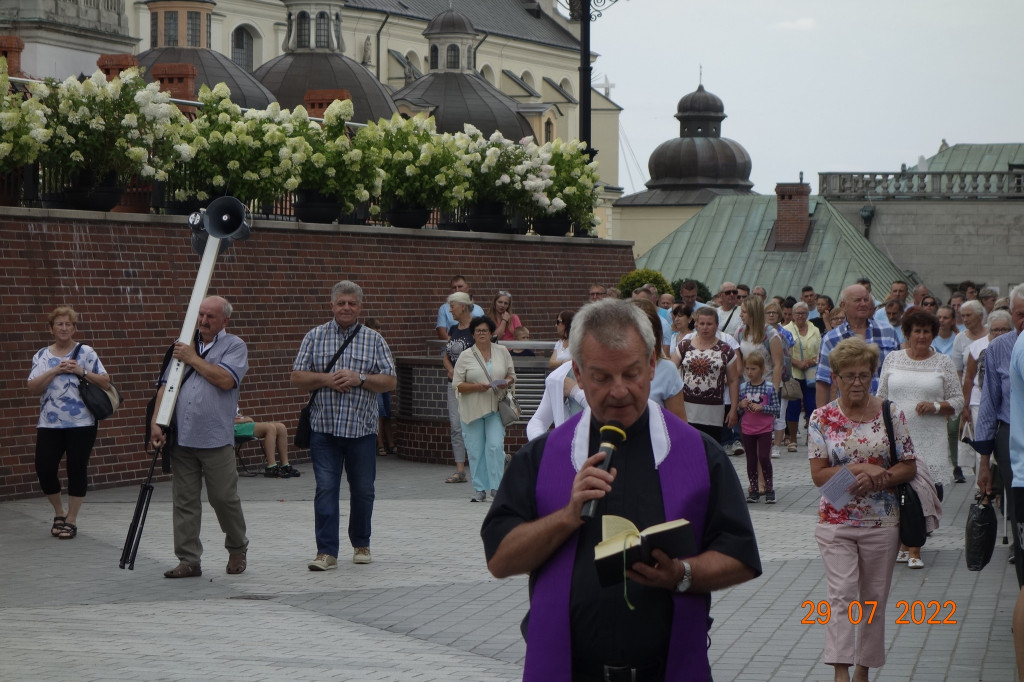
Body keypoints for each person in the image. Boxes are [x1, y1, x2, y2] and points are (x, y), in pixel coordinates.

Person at [481, 298, 761, 681]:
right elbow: (499, 559)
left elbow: (741, 555)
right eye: (601, 377)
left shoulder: (699, 454)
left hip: (666, 670)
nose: (619, 391)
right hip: (569, 670)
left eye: (631, 374)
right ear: (577, 374)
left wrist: (681, 573)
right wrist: (566, 517)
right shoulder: (542, 457)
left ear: (651, 367)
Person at [809, 337, 917, 682]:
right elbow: (819, 476)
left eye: (864, 375)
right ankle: (840, 671)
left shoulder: (891, 412)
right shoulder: (821, 417)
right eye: (849, 375)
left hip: (882, 522)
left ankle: (862, 670)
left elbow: (909, 466)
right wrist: (861, 469)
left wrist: (879, 480)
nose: (857, 382)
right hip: (836, 520)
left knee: (873, 599)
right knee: (840, 595)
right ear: (836, 377)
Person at [291, 281, 397, 570]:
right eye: (341, 303)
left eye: (351, 303)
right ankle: (326, 552)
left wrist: (359, 378)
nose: (346, 308)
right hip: (323, 429)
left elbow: (389, 381)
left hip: (361, 431)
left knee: (363, 489)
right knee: (325, 488)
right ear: (332, 305)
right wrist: (328, 379)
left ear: (360, 307)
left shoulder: (374, 339)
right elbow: (297, 377)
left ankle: (361, 542)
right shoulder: (314, 336)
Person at [149, 296, 249, 578]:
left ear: (225, 321)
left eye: (211, 317)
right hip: (183, 436)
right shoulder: (181, 344)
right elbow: (165, 386)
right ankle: (189, 559)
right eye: (201, 315)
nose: (204, 321)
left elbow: (225, 380)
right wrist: (157, 422)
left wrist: (192, 358)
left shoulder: (234, 346)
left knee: (223, 498)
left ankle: (237, 547)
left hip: (216, 437)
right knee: (184, 501)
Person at [877, 310, 961, 569]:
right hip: (898, 437)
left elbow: (958, 401)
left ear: (933, 334)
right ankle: (907, 545)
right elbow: (880, 397)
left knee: (927, 492)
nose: (922, 336)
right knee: (900, 491)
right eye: (917, 331)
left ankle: (914, 545)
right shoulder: (892, 359)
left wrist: (935, 406)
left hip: (930, 437)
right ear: (908, 333)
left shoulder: (943, 362)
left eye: (927, 331)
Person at [27, 306, 112, 540]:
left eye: (68, 324)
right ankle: (59, 512)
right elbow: (32, 387)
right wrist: (55, 370)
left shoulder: (85, 352)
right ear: (51, 329)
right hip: (49, 424)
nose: (64, 328)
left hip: (82, 423)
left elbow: (105, 382)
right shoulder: (42, 356)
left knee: (76, 469)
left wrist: (80, 370)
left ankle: (72, 520)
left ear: (74, 328)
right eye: (59, 324)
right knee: (44, 469)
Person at [454, 315, 517, 503]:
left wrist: (506, 382)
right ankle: (480, 488)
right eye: (478, 331)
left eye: (485, 330)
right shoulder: (465, 356)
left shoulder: (502, 351)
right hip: (471, 410)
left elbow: (511, 375)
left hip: (495, 408)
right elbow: (457, 385)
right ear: (472, 334)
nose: (482, 333)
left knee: (495, 446)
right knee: (475, 450)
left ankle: (496, 488)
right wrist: (476, 387)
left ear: (491, 333)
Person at [815, 283, 901, 408]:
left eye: (866, 300)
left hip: (884, 410)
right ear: (843, 305)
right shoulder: (831, 339)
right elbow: (823, 380)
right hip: (849, 411)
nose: (863, 303)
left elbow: (900, 372)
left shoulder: (888, 331)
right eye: (857, 300)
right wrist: (821, 419)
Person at [672, 306, 739, 443]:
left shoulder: (726, 350)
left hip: (713, 413)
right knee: (688, 449)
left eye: (709, 324)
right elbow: (671, 372)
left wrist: (733, 408)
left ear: (717, 325)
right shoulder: (684, 346)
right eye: (702, 324)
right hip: (686, 410)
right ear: (696, 324)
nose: (705, 327)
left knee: (711, 452)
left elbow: (733, 380)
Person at [961, 311, 1012, 480]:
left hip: (1005, 402)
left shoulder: (1013, 346)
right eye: (995, 330)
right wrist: (965, 405)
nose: (999, 333)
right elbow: (969, 376)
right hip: (979, 399)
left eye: (1003, 329)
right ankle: (981, 487)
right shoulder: (977, 346)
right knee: (982, 443)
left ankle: (997, 487)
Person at [440, 291, 476, 483]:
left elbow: (485, 356)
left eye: (452, 306)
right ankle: (460, 470)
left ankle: (484, 465)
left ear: (463, 306)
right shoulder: (454, 329)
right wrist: (450, 369)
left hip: (472, 386)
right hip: (453, 385)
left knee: (473, 425)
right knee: (456, 427)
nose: (450, 310)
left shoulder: (477, 328)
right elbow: (446, 355)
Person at [634, 299, 688, 422]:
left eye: (644, 332)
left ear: (655, 334)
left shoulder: (666, 369)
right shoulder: (609, 366)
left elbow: (679, 423)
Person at [738, 351, 780, 504]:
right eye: (747, 369)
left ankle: (769, 488)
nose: (749, 372)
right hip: (747, 429)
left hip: (764, 429)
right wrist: (740, 406)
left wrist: (762, 408)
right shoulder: (743, 388)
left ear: (762, 369)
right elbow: (738, 410)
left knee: (763, 457)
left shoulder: (769, 388)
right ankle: (753, 489)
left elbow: (776, 409)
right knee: (750, 459)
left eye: (753, 369)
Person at [785, 301, 821, 449]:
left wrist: (811, 361)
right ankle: (792, 438)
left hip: (811, 373)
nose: (801, 316)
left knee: (811, 405)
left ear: (807, 314)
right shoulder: (786, 329)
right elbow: (783, 353)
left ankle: (810, 438)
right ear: (793, 315)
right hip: (793, 372)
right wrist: (797, 363)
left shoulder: (815, 329)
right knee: (792, 406)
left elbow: (820, 350)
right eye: (798, 313)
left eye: (803, 313)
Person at [764, 301, 794, 458]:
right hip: (761, 378)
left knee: (779, 413)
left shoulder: (785, 334)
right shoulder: (759, 332)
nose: (770, 315)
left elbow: (788, 358)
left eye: (774, 313)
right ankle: (766, 443)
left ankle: (776, 445)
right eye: (768, 312)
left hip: (779, 378)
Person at [234, 412, 300, 477]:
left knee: (281, 427)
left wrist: (245, 418)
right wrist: (244, 420)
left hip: (243, 424)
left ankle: (285, 465)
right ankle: (271, 467)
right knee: (269, 428)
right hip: (233, 427)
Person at [435, 275, 483, 341]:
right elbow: (442, 333)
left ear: (467, 287)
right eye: (454, 287)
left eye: (460, 286)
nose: (457, 290)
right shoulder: (444, 309)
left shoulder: (478, 309)